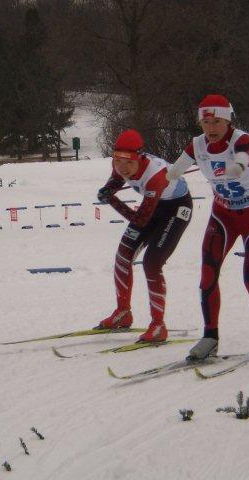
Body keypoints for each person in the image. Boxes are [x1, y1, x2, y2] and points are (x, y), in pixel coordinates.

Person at [167, 94, 249, 359]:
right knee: (207, 276)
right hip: (223, 216)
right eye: (206, 122)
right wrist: (170, 174)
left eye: (217, 121)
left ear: (228, 121)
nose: (211, 128)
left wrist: (238, 165)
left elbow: (243, 155)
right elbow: (177, 167)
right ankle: (210, 337)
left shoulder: (241, 138)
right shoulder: (197, 144)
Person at [95, 129, 193, 342]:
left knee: (152, 263)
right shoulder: (120, 165)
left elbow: (139, 219)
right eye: (118, 161)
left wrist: (111, 200)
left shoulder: (156, 176)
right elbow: (116, 181)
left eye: (129, 163)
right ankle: (123, 312)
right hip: (154, 207)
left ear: (140, 157)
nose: (123, 168)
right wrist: (107, 189)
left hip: (175, 210)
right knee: (122, 257)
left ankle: (158, 326)